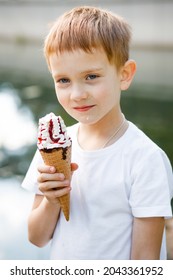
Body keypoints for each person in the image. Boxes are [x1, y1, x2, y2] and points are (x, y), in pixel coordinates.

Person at [22, 6, 173, 260]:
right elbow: (37, 238)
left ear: (124, 75)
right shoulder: (53, 147)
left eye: (91, 76)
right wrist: (51, 200)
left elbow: (145, 263)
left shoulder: (145, 159)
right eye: (63, 80)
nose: (77, 94)